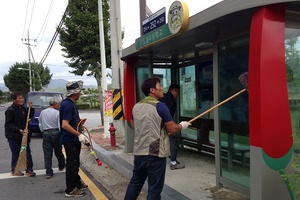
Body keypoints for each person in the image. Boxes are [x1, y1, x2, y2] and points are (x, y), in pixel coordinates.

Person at [124, 77, 191, 200]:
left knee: (135, 183)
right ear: (152, 90)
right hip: (155, 154)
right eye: (159, 86)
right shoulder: (160, 106)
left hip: (139, 152)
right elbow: (171, 129)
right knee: (154, 189)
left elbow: (134, 126)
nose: (162, 89)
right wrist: (182, 125)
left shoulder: (136, 106)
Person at [59, 80, 89, 198]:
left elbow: (71, 122)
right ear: (76, 93)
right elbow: (65, 125)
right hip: (70, 140)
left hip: (72, 139)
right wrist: (79, 135)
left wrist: (79, 124)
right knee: (72, 164)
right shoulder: (68, 105)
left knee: (75, 162)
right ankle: (70, 189)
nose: (80, 94)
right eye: (79, 92)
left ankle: (77, 183)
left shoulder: (68, 104)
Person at [4, 91, 36, 177]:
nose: (21, 100)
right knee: (16, 153)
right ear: (14, 100)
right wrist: (18, 130)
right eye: (19, 98)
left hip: (24, 135)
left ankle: (29, 170)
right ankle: (15, 170)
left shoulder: (23, 108)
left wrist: (30, 108)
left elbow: (29, 116)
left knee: (27, 152)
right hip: (14, 136)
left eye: (22, 98)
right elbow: (8, 124)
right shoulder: (10, 110)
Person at [39, 97, 65, 179]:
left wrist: (43, 131)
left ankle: (48, 172)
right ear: (55, 104)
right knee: (58, 151)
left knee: (47, 154)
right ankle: (61, 165)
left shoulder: (43, 112)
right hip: (56, 133)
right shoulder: (57, 113)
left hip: (46, 133)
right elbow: (59, 125)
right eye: (58, 104)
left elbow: (40, 124)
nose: (59, 105)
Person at [160, 84, 185, 170]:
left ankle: (171, 158)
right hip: (165, 123)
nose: (177, 95)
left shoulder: (164, 98)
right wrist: (170, 126)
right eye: (177, 92)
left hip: (161, 124)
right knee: (172, 141)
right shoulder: (170, 100)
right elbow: (166, 114)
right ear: (173, 90)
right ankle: (173, 162)